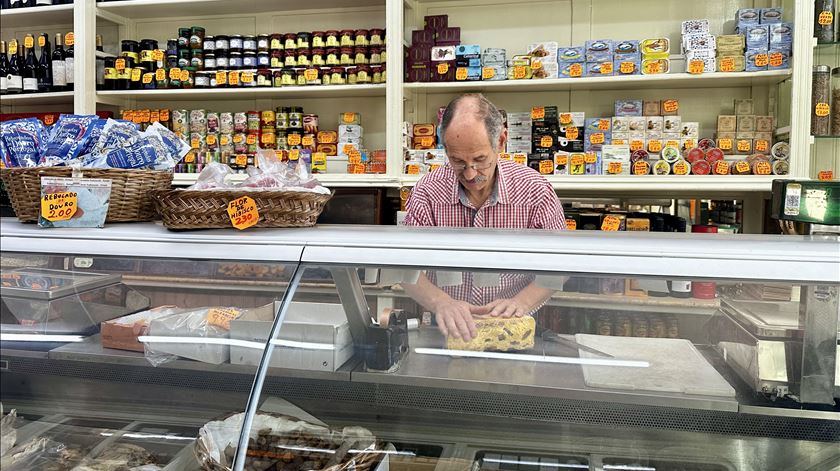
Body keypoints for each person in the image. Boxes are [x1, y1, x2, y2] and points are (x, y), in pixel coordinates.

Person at [402, 93, 566, 342]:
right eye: (457, 161)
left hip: (513, 330)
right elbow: (405, 267)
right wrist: (441, 303)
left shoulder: (535, 190)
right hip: (446, 332)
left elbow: (561, 265)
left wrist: (520, 303)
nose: (469, 174)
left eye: (480, 160)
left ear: (501, 141)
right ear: (444, 147)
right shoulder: (427, 191)